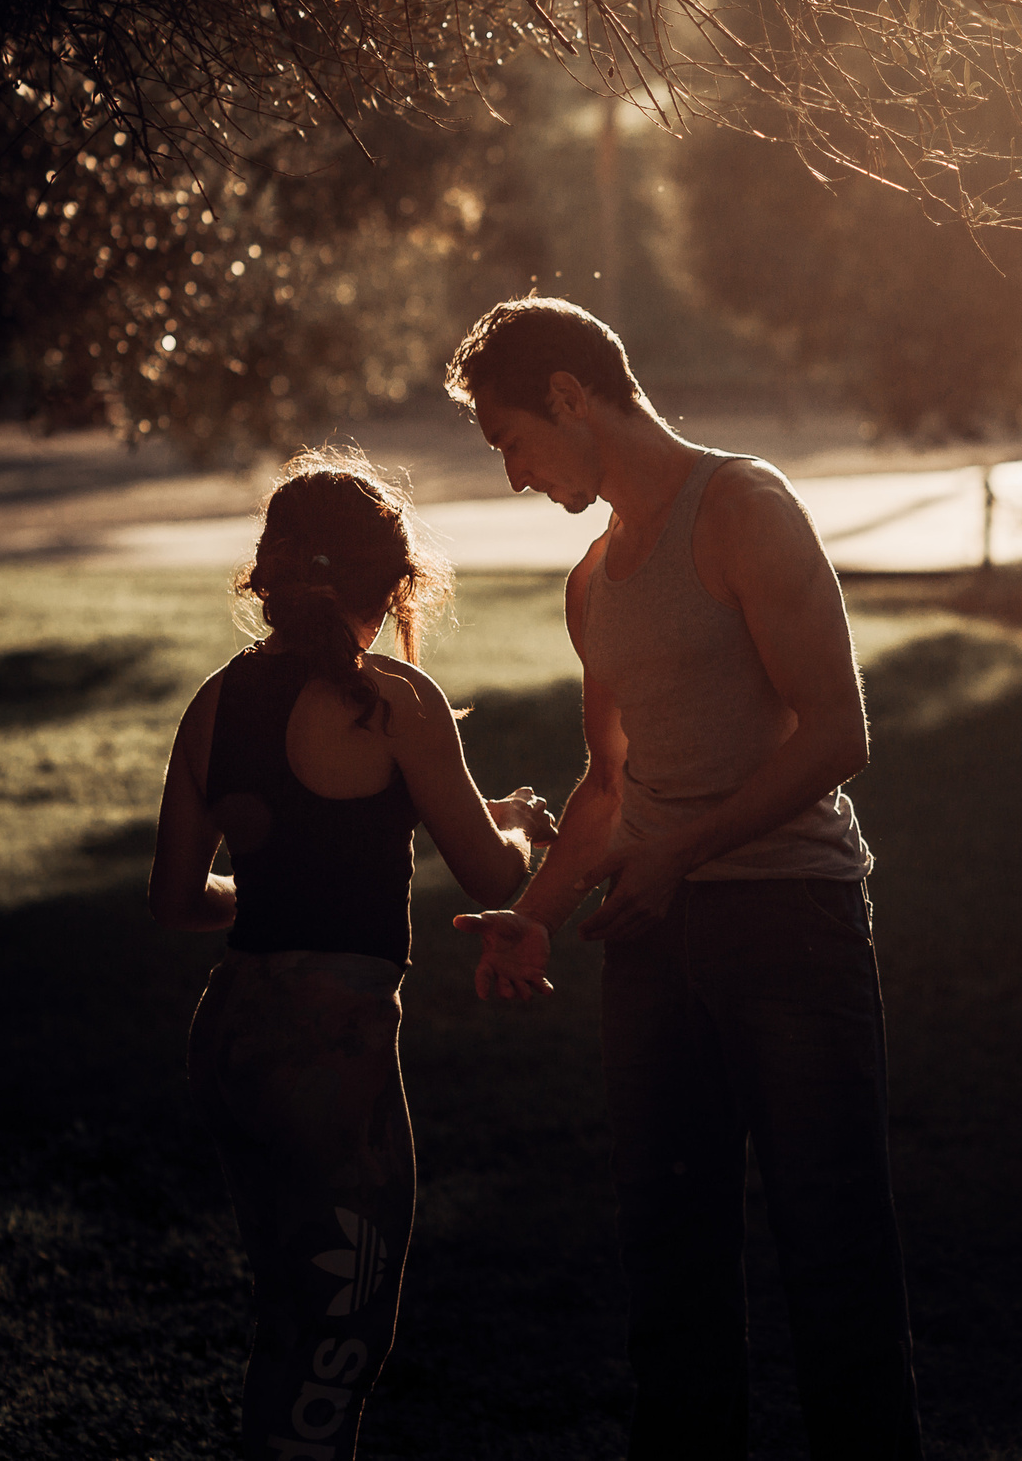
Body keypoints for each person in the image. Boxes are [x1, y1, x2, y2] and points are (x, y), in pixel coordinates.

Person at [447, 298, 922, 1459]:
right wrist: (534, 914)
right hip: (653, 945)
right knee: (669, 1265)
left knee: (834, 1258)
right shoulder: (592, 581)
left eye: (510, 440)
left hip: (790, 923)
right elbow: (608, 786)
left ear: (569, 395)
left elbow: (837, 733)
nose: (512, 475)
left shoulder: (744, 509)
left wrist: (677, 853)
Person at [148, 448, 554, 1460]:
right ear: (398, 580)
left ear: (270, 575)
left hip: (232, 1032)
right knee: (341, 1332)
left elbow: (176, 898)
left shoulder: (219, 699)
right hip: (328, 1051)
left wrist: (285, 889)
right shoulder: (395, 700)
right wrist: (520, 827)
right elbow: (491, 877)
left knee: (288, 1309)